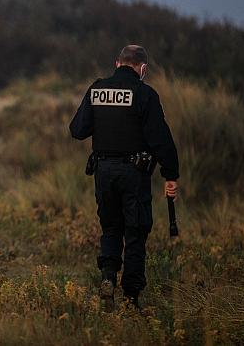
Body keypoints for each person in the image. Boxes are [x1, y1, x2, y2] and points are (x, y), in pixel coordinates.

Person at [69, 45, 179, 307]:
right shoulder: (145, 94)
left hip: (103, 172)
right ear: (142, 68)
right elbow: (160, 140)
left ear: (117, 64)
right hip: (134, 173)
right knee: (136, 231)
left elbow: (78, 130)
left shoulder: (97, 89)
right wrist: (170, 174)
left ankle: (108, 275)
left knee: (110, 227)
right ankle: (131, 296)